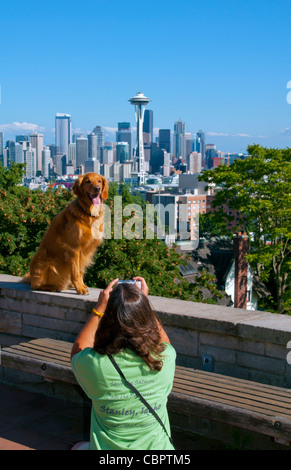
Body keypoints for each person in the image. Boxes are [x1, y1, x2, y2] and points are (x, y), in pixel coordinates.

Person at [70, 276, 176, 450]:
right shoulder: (164, 358)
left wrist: (99, 309)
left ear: (108, 320)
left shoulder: (94, 364)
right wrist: (143, 305)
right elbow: (164, 344)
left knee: (78, 447)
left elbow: (77, 352)